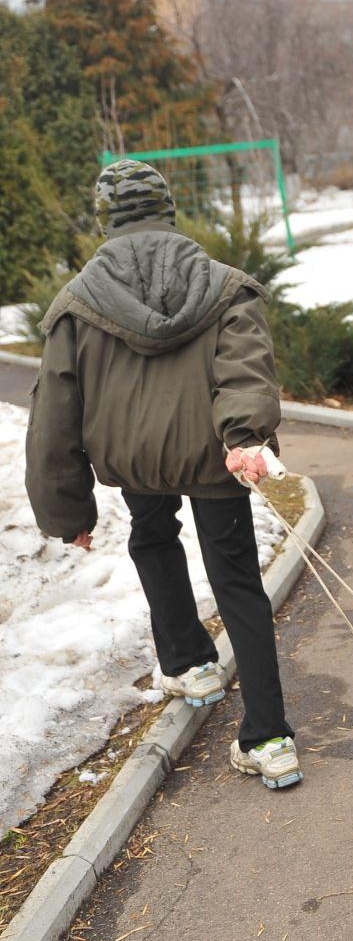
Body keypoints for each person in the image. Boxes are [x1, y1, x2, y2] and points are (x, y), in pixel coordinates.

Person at [24, 159, 301, 791]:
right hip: (212, 458)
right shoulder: (225, 286)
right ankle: (270, 739)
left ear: (105, 219)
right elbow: (246, 372)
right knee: (237, 582)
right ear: (169, 208)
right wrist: (244, 437)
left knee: (152, 536)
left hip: (136, 463)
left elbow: (54, 412)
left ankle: (189, 662)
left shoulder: (77, 304)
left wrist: (68, 511)